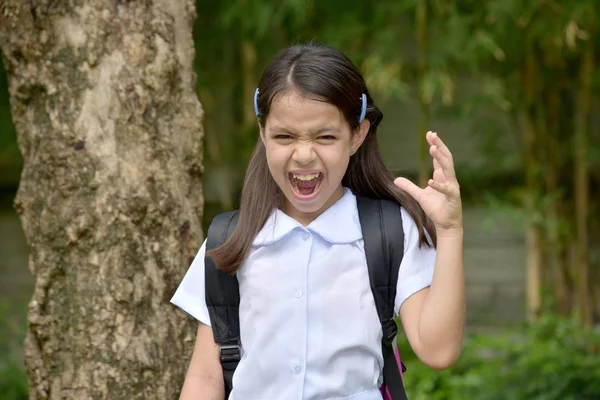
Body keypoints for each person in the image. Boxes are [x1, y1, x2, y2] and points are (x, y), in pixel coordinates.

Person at [170, 43, 465, 400]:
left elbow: (438, 350)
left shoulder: (389, 232)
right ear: (262, 133)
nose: (305, 154)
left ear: (356, 135)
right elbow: (205, 377)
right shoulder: (230, 239)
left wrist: (449, 230)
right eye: (284, 136)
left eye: (325, 137)